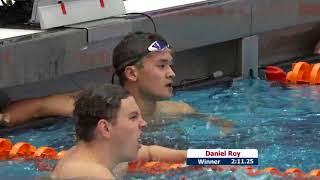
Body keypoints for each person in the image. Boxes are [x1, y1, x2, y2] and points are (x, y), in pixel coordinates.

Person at [0, 32, 232, 131]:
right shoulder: (94, 106)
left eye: (170, 65)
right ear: (132, 73)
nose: (171, 73)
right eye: (161, 66)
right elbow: (38, 106)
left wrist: (224, 128)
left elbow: (219, 124)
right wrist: (6, 118)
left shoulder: (179, 110)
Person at [51, 84, 186, 179]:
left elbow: (150, 153)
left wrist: (206, 157)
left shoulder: (109, 156)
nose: (143, 123)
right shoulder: (90, 175)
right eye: (133, 117)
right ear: (105, 128)